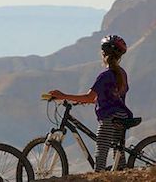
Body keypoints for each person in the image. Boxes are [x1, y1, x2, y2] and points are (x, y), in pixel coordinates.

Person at [48, 34, 133, 172]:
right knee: (118, 152)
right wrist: (92, 100)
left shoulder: (105, 75)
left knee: (101, 151)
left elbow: (89, 97)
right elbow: (112, 96)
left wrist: (62, 95)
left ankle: (100, 175)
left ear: (103, 53)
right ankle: (123, 172)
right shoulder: (121, 73)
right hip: (122, 115)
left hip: (110, 118)